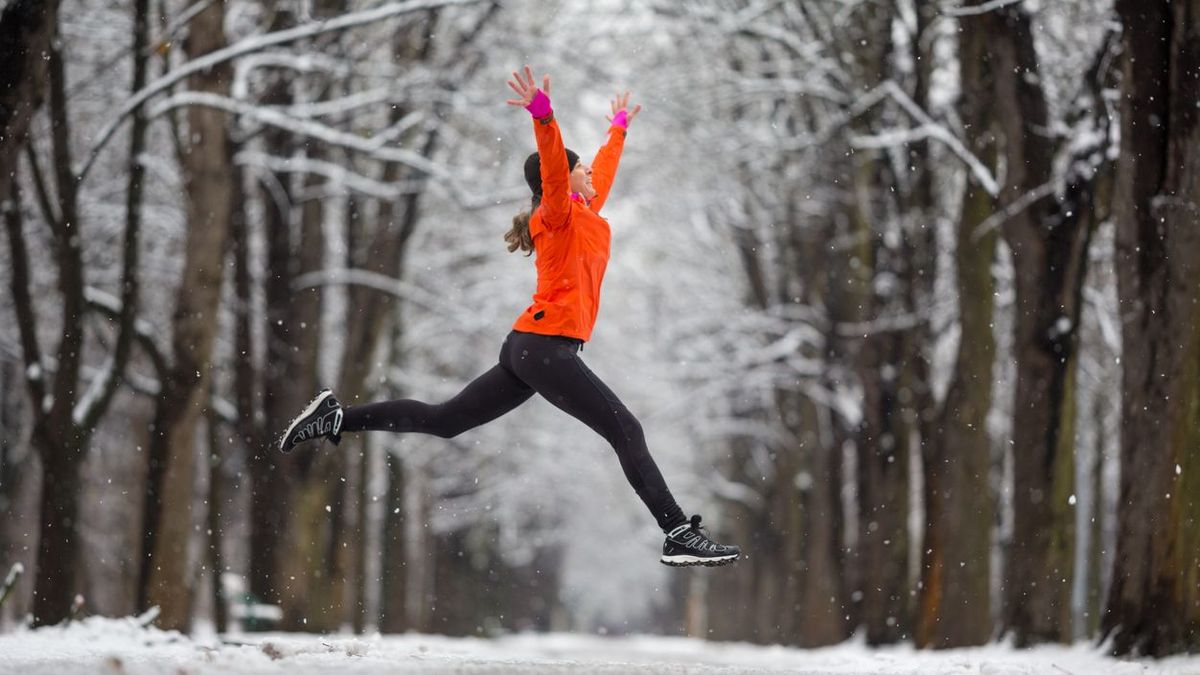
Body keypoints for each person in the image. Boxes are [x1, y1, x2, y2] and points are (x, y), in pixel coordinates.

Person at [279, 66, 740, 568]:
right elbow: (555, 168)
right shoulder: (557, 215)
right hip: (544, 347)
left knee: (446, 421)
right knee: (625, 430)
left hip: (530, 347)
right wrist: (543, 116)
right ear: (559, 181)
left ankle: (337, 417)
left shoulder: (585, 213)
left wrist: (619, 128)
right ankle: (677, 532)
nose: (589, 173)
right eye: (580, 169)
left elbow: (602, 170)